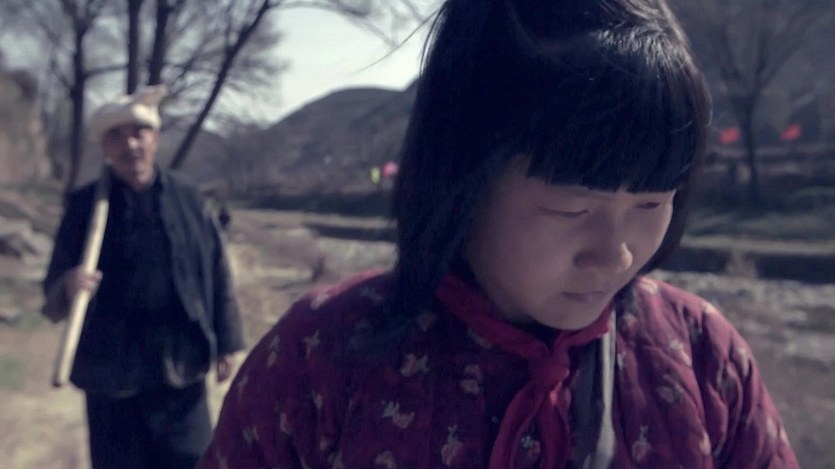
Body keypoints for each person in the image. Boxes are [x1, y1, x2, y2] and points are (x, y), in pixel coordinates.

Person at [198, 0, 798, 467]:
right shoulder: (321, 355)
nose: (615, 255)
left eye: (652, 203)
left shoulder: (703, 355)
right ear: (462, 179)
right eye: (571, 208)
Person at [42, 84, 245, 469]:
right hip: (111, 376)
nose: (130, 145)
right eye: (116, 137)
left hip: (179, 367)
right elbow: (52, 288)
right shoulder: (83, 206)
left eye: (139, 133)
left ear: (155, 139)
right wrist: (69, 285)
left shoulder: (188, 197)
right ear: (104, 147)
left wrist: (227, 341)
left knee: (193, 461)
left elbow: (217, 269)